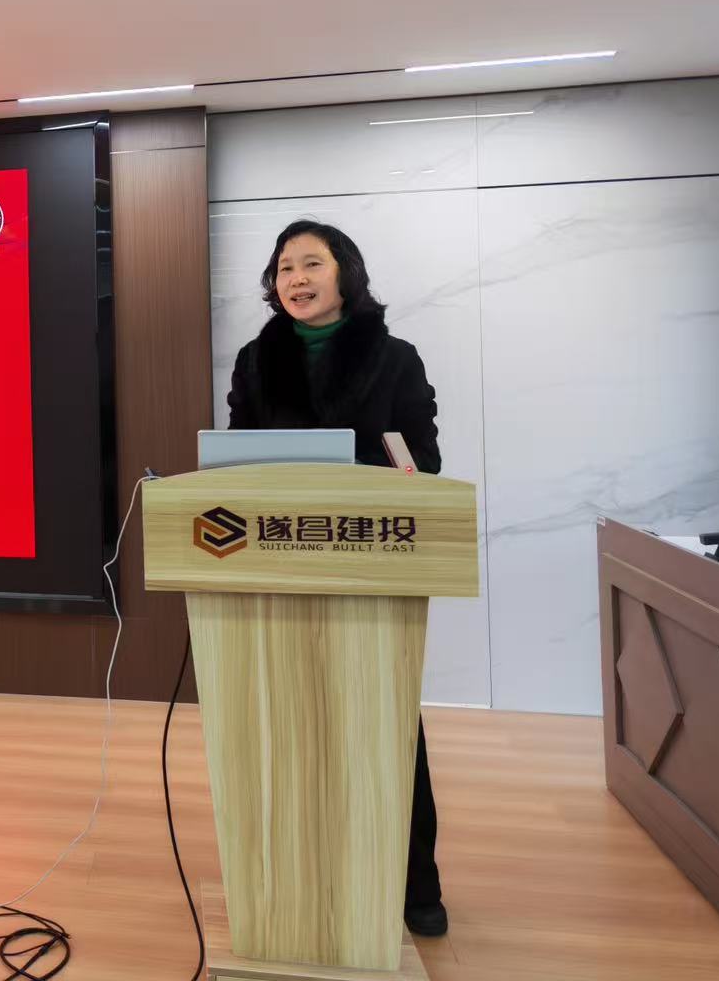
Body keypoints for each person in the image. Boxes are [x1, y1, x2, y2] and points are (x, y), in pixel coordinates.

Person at [224, 218, 448, 938]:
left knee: (384, 725)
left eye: (310, 264)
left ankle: (414, 882)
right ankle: (298, 871)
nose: (295, 279)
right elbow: (236, 461)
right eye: (284, 267)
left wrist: (365, 477)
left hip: (367, 568)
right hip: (279, 570)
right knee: (284, 723)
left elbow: (424, 464)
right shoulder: (254, 361)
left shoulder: (395, 359)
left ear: (345, 273)